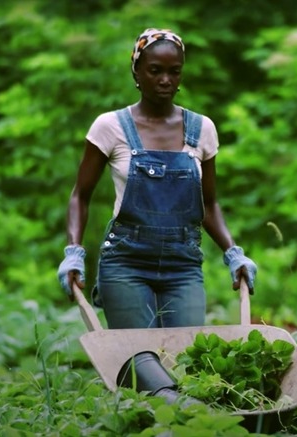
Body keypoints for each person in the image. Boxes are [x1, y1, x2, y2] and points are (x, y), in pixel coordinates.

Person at [57, 28, 257, 329]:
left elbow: (209, 203)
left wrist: (233, 253)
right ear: (136, 70)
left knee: (184, 357)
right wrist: (74, 252)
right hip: (126, 263)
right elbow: (80, 195)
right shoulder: (110, 127)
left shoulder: (202, 129)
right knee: (141, 362)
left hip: (183, 265)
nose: (165, 80)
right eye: (155, 71)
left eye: (174, 72)